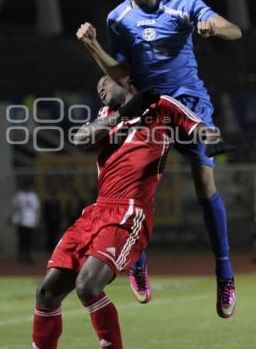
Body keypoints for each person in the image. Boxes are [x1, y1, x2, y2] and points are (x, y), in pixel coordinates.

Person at [76, 0, 240, 318]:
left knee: (204, 185)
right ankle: (136, 262)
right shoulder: (118, 19)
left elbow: (234, 31)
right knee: (134, 189)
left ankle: (225, 274)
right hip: (148, 108)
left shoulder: (183, 5)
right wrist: (92, 46)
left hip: (189, 104)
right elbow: (119, 74)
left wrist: (215, 28)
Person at [32, 75, 229, 349]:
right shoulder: (107, 114)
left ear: (126, 80)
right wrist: (122, 115)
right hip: (96, 210)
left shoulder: (162, 106)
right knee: (46, 293)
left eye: (104, 82)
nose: (99, 88)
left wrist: (213, 140)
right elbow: (79, 138)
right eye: (97, 86)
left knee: (87, 286)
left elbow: (199, 127)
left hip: (129, 213)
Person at [12, 179, 40, 264]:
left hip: (27, 221)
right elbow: (37, 210)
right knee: (24, 241)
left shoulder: (21, 195)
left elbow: (37, 209)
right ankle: (23, 257)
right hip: (24, 221)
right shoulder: (30, 196)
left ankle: (27, 257)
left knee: (27, 241)